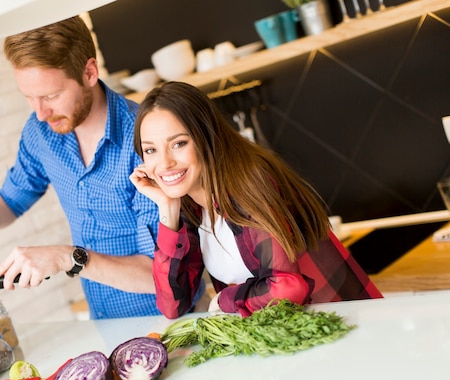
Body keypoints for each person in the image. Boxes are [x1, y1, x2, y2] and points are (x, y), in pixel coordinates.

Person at [0, 16, 167, 319]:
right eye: (29, 98)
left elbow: (160, 275)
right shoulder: (41, 132)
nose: (41, 113)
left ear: (89, 72)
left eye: (51, 96)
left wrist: (66, 258)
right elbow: (12, 197)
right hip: (105, 322)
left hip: (170, 320)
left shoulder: (146, 140)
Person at [129, 81, 383, 319]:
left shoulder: (248, 185)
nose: (164, 163)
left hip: (344, 324)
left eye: (178, 144)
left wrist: (223, 300)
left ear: (205, 138)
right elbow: (172, 305)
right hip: (287, 340)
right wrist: (167, 209)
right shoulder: (191, 205)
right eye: (150, 150)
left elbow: (286, 287)